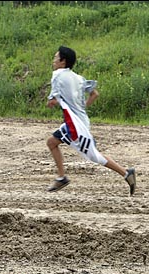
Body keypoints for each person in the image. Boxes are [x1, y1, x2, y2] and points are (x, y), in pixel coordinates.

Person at [46, 45, 136, 195]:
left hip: (75, 125)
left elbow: (52, 99)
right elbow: (94, 93)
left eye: (56, 58)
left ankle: (126, 173)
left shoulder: (57, 75)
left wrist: (53, 102)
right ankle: (61, 177)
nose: (53, 61)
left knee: (94, 156)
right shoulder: (78, 78)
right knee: (52, 142)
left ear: (63, 61)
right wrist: (81, 108)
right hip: (79, 121)